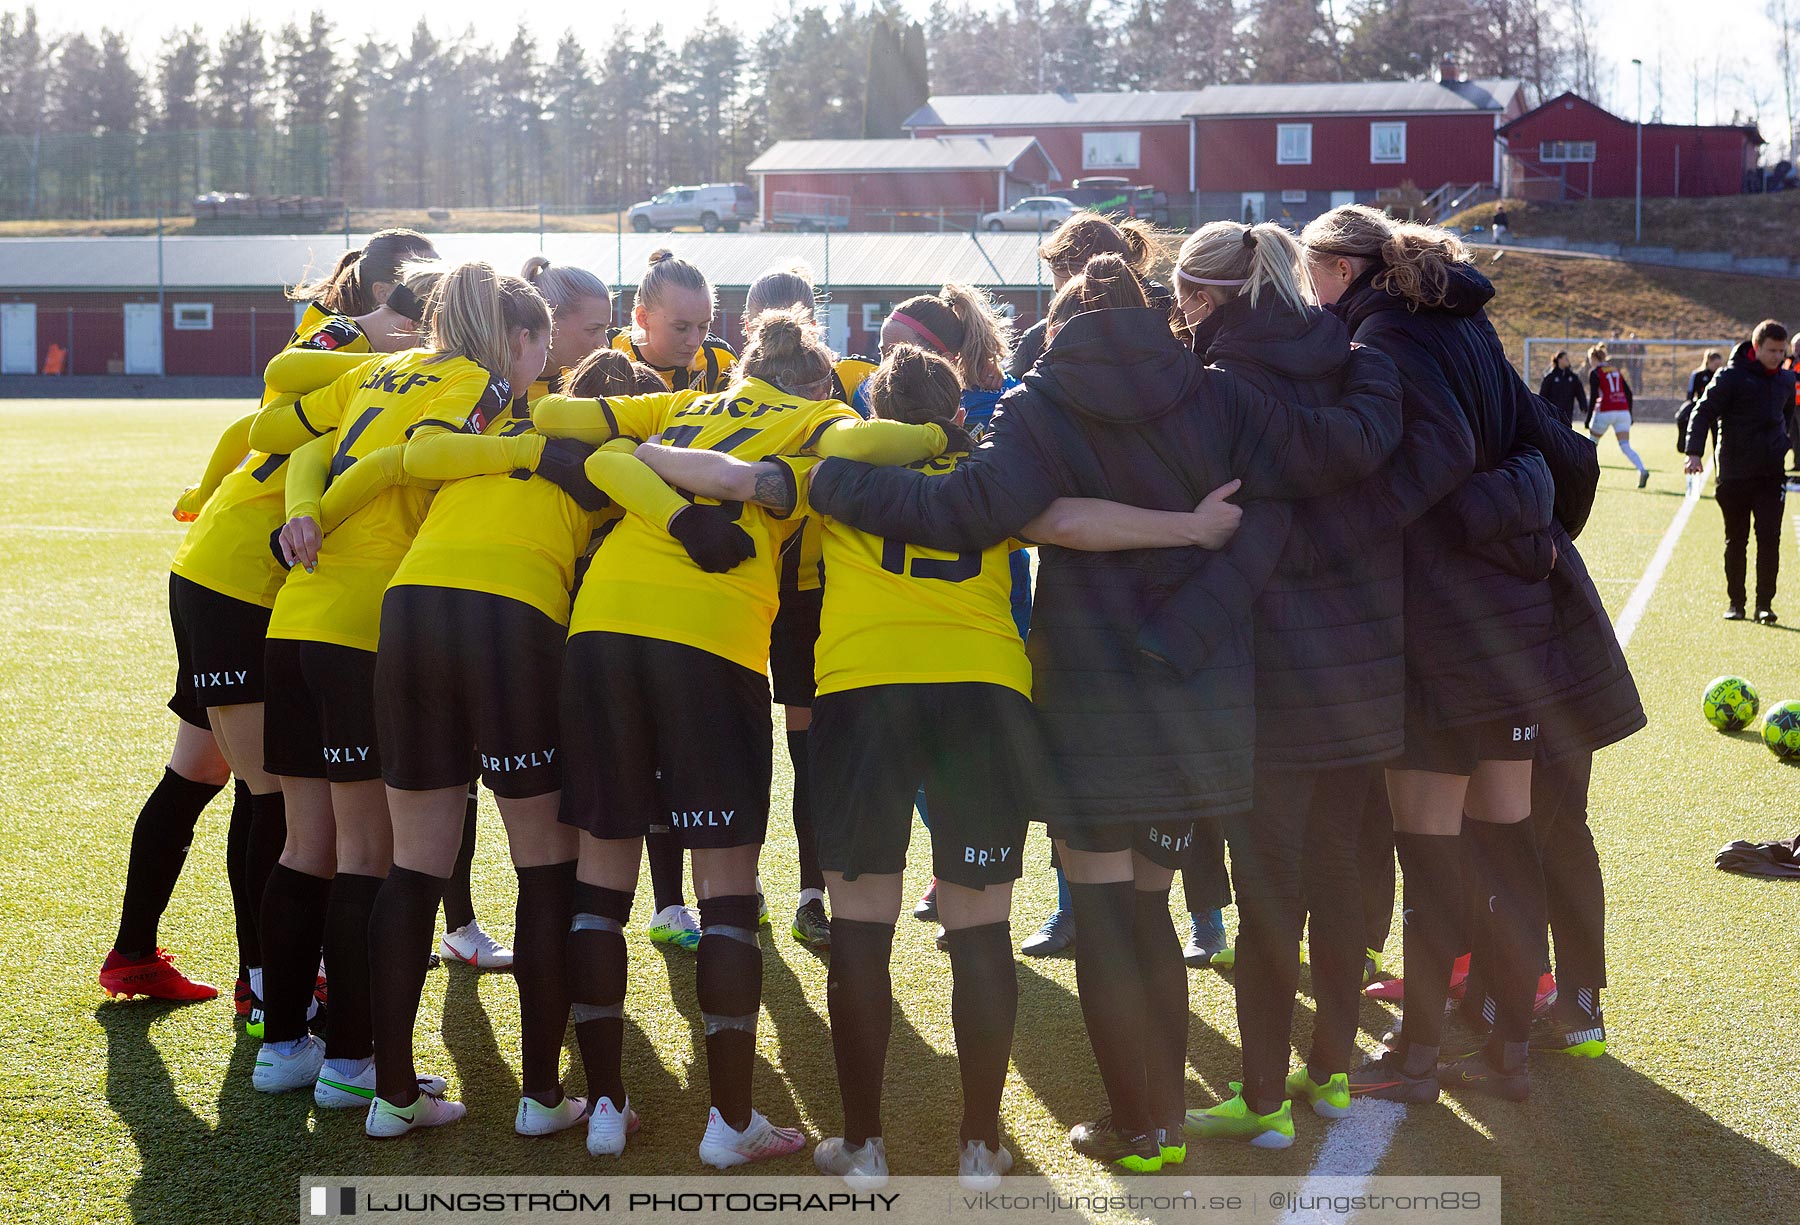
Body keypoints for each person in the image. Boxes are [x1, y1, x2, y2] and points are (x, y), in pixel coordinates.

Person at [808, 253, 1403, 1172]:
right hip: (1198, 692)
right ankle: (1161, 1119)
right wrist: (1370, 352)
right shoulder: (1219, 394)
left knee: (1100, 910)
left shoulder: (1039, 402)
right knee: (1153, 908)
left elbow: (974, 508)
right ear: (1160, 313)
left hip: (1088, 692)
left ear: (1063, 317)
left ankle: (1138, 1126)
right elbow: (1344, 447)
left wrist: (835, 484)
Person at [533, 307, 952, 1167]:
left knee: (601, 873)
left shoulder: (680, 404)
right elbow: (879, 448)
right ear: (815, 378)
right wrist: (944, 427)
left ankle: (607, 1105)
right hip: (711, 642)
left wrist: (663, 470)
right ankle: (728, 1123)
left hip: (601, 627)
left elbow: (571, 429)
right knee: (725, 882)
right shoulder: (819, 416)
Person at [1298, 203, 1639, 1106]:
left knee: (1432, 853)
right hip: (1514, 620)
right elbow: (1553, 453)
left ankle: (1415, 1061)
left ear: (1341, 266)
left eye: (1312, 273)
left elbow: (1448, 456)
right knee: (1506, 845)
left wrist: (1348, 530)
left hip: (1441, 630)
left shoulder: (1385, 333)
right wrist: (1515, 507)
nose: (1310, 291)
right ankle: (1511, 1052)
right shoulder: (1468, 323)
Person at [97, 229, 437, 1021]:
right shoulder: (349, 340)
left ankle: (136, 953)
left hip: (243, 574)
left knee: (201, 771)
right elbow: (273, 399)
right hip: (237, 578)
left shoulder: (374, 352)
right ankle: (266, 979)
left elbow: (252, 431)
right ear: (396, 295)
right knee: (272, 791)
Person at [246, 261, 549, 1116]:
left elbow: (292, 433)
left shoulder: (379, 370)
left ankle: (283, 1046)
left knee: (307, 844)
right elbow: (423, 457)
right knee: (369, 856)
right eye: (540, 347)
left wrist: (304, 508)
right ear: (515, 339)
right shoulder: (482, 387)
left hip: (295, 617)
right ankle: (349, 1060)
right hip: (363, 623)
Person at [362, 273, 655, 1140]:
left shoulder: (491, 424)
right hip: (508, 620)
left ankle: (392, 1093)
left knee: (413, 864)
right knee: (543, 863)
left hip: (409, 609)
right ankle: (539, 1095)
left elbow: (425, 456)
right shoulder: (604, 450)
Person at [1138, 219, 1408, 1148]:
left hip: (1271, 673)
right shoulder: (1348, 354)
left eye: (1183, 298)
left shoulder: (1222, 385)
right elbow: (1357, 446)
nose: (1178, 316)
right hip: (1364, 662)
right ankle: (1328, 1073)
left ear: (1209, 296)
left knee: (1266, 894)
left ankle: (1259, 1096)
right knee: (1337, 877)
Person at [742, 264, 879, 951]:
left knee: (811, 750)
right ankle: (750, 885)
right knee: (770, 748)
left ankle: (809, 890)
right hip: (760, 591)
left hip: (807, 595)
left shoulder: (846, 390)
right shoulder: (731, 398)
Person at [1684, 320, 1794, 624]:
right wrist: (1693, 452)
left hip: (1772, 474)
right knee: (1736, 539)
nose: (1777, 357)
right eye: (1771, 350)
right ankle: (1737, 603)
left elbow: (1787, 414)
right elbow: (1703, 411)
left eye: (1781, 351)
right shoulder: (1731, 376)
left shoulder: (1785, 379)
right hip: (1734, 473)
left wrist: (1784, 443)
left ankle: (1764, 605)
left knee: (1770, 537)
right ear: (1756, 347)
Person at [1008, 215, 1166, 379]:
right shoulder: (1163, 314)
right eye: (1059, 295)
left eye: (1071, 295)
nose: (1058, 306)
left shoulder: (1038, 341)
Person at [610, 248, 738, 393]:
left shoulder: (720, 360)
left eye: (703, 326)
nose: (694, 342)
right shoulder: (605, 352)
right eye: (681, 327)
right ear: (643, 318)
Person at [1586, 345, 1649, 488]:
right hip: (1622, 411)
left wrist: (1589, 417)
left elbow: (1594, 397)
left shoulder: (1595, 372)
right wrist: (1630, 414)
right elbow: (1629, 393)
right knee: (1625, 446)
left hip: (1605, 410)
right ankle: (1642, 469)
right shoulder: (1615, 370)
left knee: (1591, 445)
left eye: (1590, 359)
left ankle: (1585, 476)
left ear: (1595, 358)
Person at [1676, 349, 1724, 460]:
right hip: (1703, 413)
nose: (1718, 367)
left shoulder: (1722, 376)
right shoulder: (1698, 375)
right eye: (1716, 364)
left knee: (1718, 442)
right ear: (1709, 362)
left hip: (1717, 414)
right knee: (1697, 439)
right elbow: (1690, 395)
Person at [1538, 351, 1587, 428]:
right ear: (1559, 360)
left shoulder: (1573, 377)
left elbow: (1580, 392)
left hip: (1567, 413)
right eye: (1566, 358)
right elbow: (1543, 394)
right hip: (1552, 413)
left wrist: (1583, 405)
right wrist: (1542, 408)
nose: (1568, 361)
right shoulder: (1550, 377)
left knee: (1566, 433)